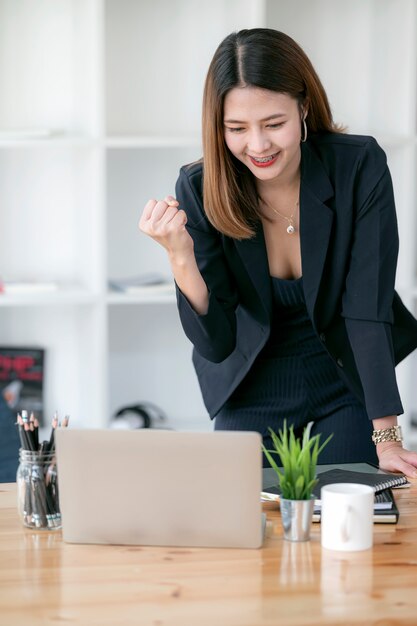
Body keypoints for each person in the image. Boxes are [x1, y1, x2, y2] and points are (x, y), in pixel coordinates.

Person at [139, 28, 417, 477]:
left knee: (350, 513)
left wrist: (386, 436)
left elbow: (367, 305)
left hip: (343, 375)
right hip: (252, 381)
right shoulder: (198, 187)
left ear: (303, 107)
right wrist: (180, 256)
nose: (258, 145)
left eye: (273, 124)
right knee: (237, 518)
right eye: (236, 128)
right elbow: (216, 342)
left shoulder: (358, 165)